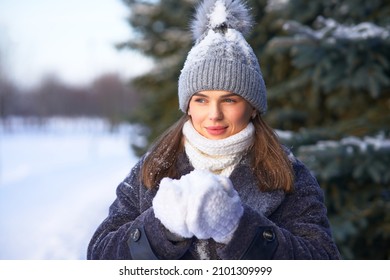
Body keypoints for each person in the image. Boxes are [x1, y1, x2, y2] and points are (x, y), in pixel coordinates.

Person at [87, 0, 340, 260]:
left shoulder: (288, 173)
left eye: (229, 100)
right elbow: (99, 254)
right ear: (188, 106)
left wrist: (240, 228)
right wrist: (160, 228)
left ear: (252, 107)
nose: (214, 114)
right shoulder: (153, 168)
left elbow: (322, 260)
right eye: (201, 100)